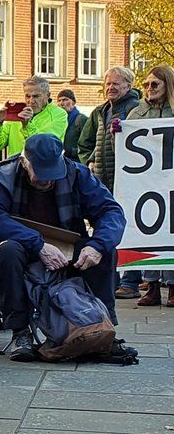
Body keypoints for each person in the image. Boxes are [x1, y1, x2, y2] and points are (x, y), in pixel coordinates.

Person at [0, 133, 125, 361]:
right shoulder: (4, 173)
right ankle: (21, 332)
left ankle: (103, 327)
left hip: (67, 246)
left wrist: (97, 245)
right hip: (22, 246)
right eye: (41, 174)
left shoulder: (77, 173)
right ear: (23, 162)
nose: (47, 180)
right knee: (7, 252)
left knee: (105, 251)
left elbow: (111, 211)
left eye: (53, 173)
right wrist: (38, 244)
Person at [128, 65, 174, 307]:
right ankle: (151, 284)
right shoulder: (136, 114)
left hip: (170, 179)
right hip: (146, 182)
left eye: (154, 84)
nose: (148, 89)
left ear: (167, 84)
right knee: (149, 230)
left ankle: (172, 285)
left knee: (170, 232)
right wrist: (119, 132)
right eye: (145, 85)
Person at [79, 66, 141, 196]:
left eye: (116, 84)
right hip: (101, 181)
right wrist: (90, 160)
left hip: (125, 181)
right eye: (108, 84)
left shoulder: (136, 108)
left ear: (128, 86)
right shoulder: (101, 111)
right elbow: (87, 143)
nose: (110, 87)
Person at [0, 76, 67, 158]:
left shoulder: (59, 114)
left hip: (42, 169)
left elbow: (44, 147)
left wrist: (27, 126)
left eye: (36, 96)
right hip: (16, 168)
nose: (31, 101)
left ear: (48, 95)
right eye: (27, 96)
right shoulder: (18, 113)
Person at [56, 89, 88, 162]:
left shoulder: (81, 119)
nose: (61, 103)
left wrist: (71, 151)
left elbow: (89, 145)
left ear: (73, 102)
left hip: (76, 164)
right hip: (61, 162)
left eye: (65, 100)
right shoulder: (57, 121)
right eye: (59, 100)